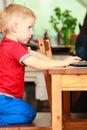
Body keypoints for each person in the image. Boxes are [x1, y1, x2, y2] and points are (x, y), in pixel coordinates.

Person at [0, 4, 80, 126]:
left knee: (24, 111)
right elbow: (37, 64)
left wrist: (58, 63)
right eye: (29, 27)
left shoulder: (11, 45)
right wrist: (63, 62)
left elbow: (36, 55)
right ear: (15, 27)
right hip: (4, 99)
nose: (32, 32)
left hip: (6, 99)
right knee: (28, 113)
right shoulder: (14, 47)